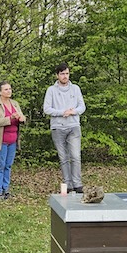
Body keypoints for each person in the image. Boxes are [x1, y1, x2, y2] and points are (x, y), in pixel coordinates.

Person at [43, 62, 85, 193]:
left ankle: (77, 184)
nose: (65, 76)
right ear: (57, 75)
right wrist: (62, 112)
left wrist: (73, 111)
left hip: (73, 126)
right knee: (63, 157)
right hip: (58, 127)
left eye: (67, 73)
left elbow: (82, 107)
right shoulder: (51, 90)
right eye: (62, 74)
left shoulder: (76, 88)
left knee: (76, 156)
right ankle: (68, 184)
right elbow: (47, 109)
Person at [0, 81, 26, 199]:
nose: (9, 91)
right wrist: (10, 118)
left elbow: (22, 116)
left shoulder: (15, 103)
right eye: (6, 89)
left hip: (12, 140)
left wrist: (22, 118)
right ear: (0, 92)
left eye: (10, 89)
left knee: (8, 165)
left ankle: (6, 189)